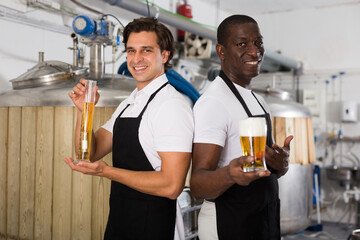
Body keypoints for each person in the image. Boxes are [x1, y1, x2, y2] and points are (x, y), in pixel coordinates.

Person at [63, 17, 194, 240]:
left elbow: (172, 185)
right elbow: (90, 152)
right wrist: (83, 110)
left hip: (157, 226)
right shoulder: (129, 103)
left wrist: (106, 171)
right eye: (131, 51)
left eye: (146, 50)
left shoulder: (171, 106)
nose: (136, 59)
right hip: (121, 222)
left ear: (164, 55)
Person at [190, 15, 293, 240]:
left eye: (258, 43)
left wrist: (281, 164)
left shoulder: (257, 99)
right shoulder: (213, 102)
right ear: (221, 51)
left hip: (262, 220)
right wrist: (230, 174)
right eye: (242, 44)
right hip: (229, 223)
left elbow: (265, 171)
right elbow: (197, 185)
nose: (255, 52)